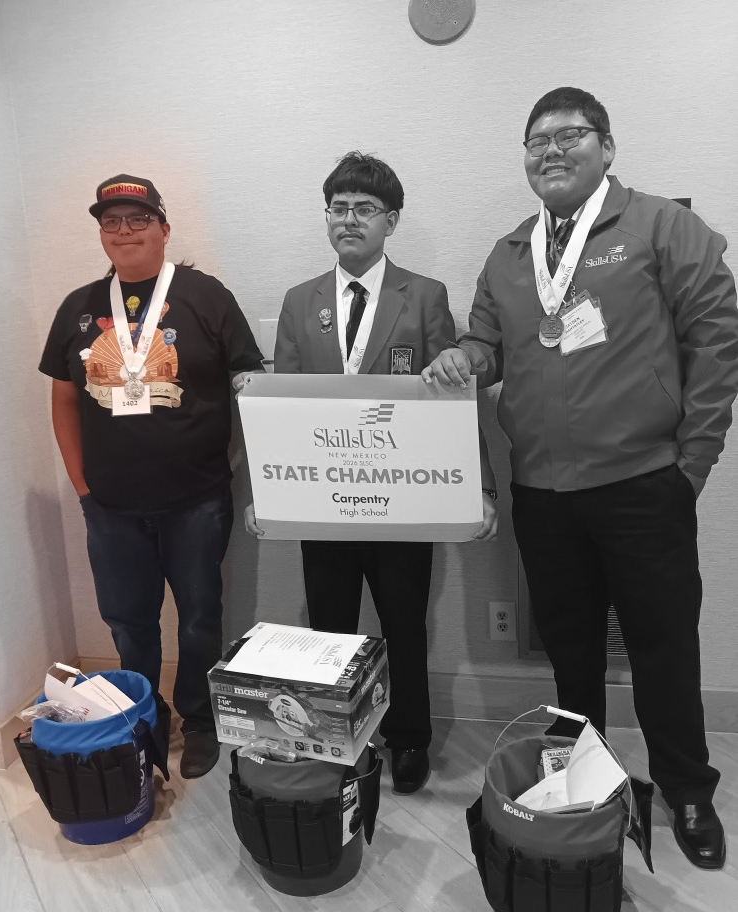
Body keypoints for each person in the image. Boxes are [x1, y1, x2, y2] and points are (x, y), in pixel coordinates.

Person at [424, 87, 738, 868]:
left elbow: (716, 339)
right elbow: (488, 344)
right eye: (536, 141)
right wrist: (464, 357)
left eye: (569, 135)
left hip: (643, 485)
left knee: (662, 643)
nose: (551, 151)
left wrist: (690, 465)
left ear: (606, 146)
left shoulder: (664, 226)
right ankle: (578, 772)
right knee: (567, 649)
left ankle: (686, 789)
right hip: (542, 492)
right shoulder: (508, 254)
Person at [244, 152, 498, 793]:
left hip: (403, 505)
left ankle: (409, 738)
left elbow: (453, 396)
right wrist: (265, 492)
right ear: (326, 218)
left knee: (405, 624)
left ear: (391, 221)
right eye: (338, 208)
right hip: (323, 504)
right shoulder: (301, 303)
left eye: (364, 210)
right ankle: (338, 738)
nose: (349, 220)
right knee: (329, 629)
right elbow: (284, 413)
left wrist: (480, 487)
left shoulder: (426, 295)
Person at [40, 174, 264, 778]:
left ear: (164, 229)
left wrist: (237, 468)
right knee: (129, 622)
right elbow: (63, 401)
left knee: (198, 617)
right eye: (111, 221)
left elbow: (252, 386)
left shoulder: (206, 296)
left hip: (197, 499)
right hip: (110, 504)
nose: (123, 231)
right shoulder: (79, 307)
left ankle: (199, 719)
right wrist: (83, 486)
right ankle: (146, 720)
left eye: (137, 219)